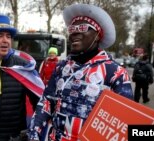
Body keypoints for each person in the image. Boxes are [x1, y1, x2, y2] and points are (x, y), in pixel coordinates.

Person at [29, 4, 133, 141]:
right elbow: (47, 100)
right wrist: (34, 132)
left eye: (82, 28)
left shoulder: (116, 72)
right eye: (72, 29)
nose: (74, 33)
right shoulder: (61, 67)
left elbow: (123, 121)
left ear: (97, 35)